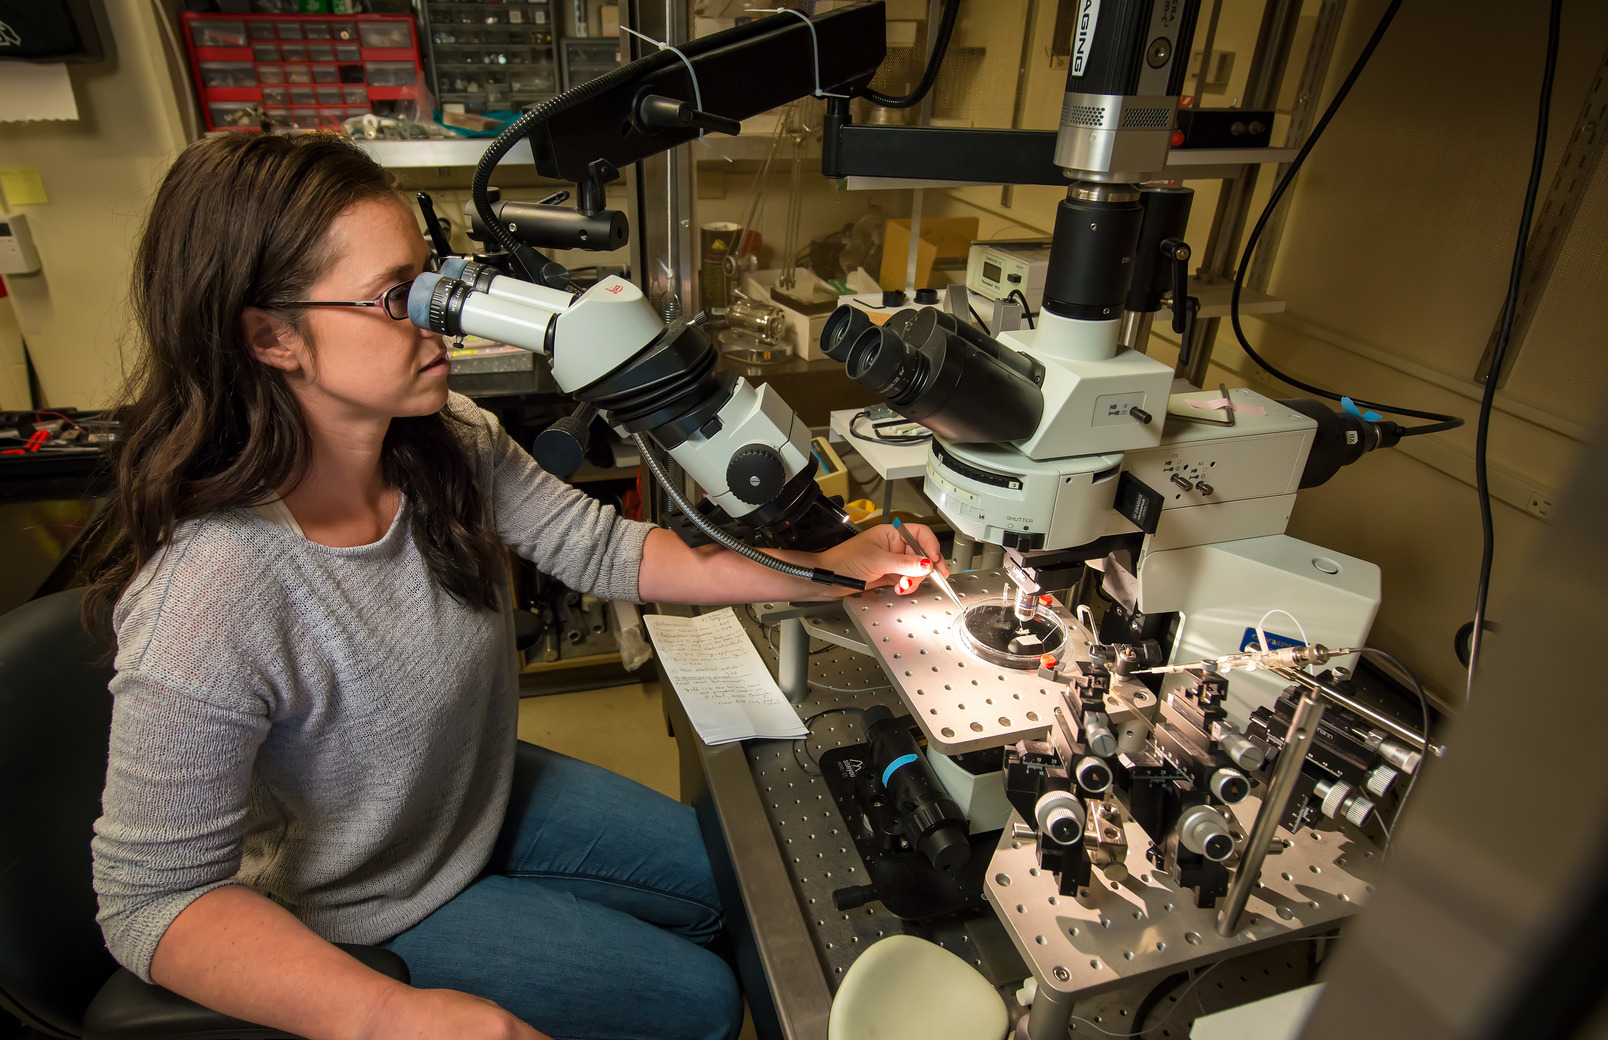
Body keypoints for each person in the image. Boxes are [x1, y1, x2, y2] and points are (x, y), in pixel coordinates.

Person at [83, 131, 947, 1040]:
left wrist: (819, 567)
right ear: (272, 337)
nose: (443, 318)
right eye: (395, 299)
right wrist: (390, 1015)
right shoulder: (212, 592)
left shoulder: (446, 441)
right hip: (358, 901)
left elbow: (609, 551)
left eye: (435, 279)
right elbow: (149, 903)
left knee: (745, 883)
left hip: (473, 801)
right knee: (697, 1000)